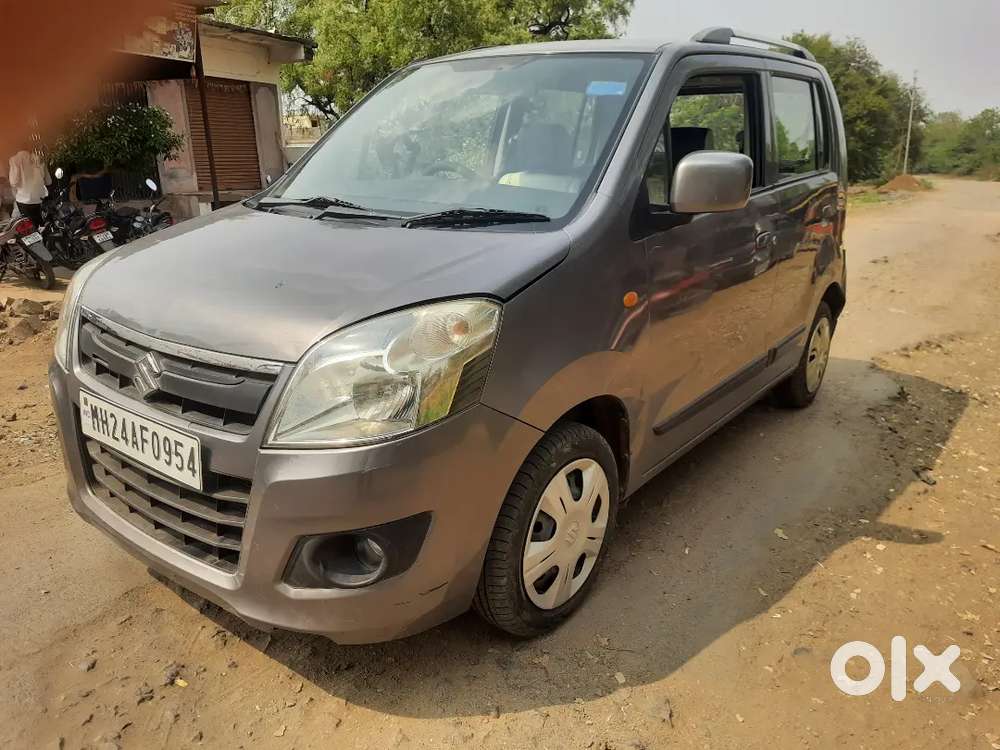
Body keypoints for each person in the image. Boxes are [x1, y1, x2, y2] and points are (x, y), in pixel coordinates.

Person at [8, 143, 50, 227]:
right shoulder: (38, 159)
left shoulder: (14, 160)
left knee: (30, 226)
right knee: (39, 222)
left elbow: (13, 182)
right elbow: (48, 181)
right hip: (39, 197)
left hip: (24, 199)